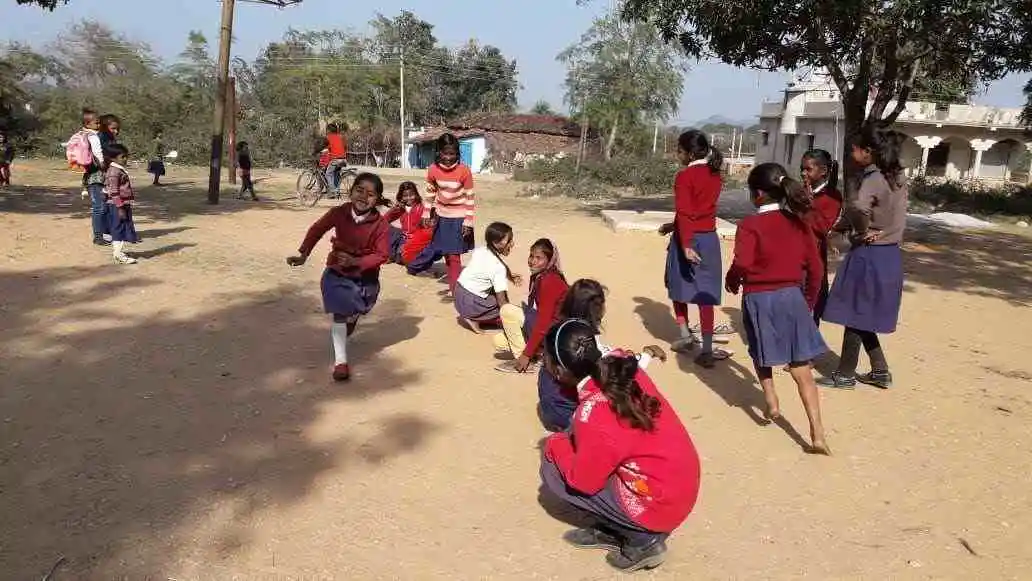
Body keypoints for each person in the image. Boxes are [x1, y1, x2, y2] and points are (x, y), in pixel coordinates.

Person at [540, 319, 698, 573]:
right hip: (677, 483)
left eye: (545, 359)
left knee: (553, 468)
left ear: (558, 372)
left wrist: (554, 444)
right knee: (581, 446)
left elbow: (583, 481)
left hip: (661, 502)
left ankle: (642, 540)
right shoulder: (624, 367)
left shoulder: (592, 413)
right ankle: (614, 525)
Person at [725, 162, 830, 455]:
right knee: (802, 369)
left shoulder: (749, 225)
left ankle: (771, 401)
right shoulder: (799, 222)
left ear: (757, 194)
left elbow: (743, 263)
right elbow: (817, 269)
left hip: (760, 297)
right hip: (791, 296)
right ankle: (817, 433)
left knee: (761, 350)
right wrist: (807, 302)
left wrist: (732, 279)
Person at [818, 127, 908, 390]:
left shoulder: (873, 179)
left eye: (855, 149)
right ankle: (880, 371)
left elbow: (858, 207)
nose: (852, 154)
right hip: (890, 255)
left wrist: (859, 230)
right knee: (864, 313)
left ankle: (845, 374)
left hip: (869, 255)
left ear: (868, 152)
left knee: (855, 313)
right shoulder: (898, 178)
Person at [287, 172, 389, 382]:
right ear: (351, 191)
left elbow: (382, 254)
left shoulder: (381, 225)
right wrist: (303, 254)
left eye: (370, 194)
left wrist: (357, 263)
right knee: (339, 313)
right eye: (359, 190)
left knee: (357, 308)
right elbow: (317, 229)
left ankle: (351, 317)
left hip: (365, 278)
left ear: (377, 199)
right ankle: (341, 362)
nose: (363, 197)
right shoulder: (338, 212)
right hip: (337, 272)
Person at [536, 279, 656, 432]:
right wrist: (647, 355)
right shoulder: (587, 345)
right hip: (566, 411)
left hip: (549, 403)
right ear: (598, 310)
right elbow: (619, 369)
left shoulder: (559, 331)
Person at [660, 129, 731, 368]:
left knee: (677, 283)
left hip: (688, 239)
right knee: (706, 295)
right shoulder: (715, 175)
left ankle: (685, 335)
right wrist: (672, 225)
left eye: (679, 151)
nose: (677, 155)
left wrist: (687, 244)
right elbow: (699, 211)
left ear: (689, 153)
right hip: (709, 238)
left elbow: (686, 212)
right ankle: (707, 349)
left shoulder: (684, 177)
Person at [406, 133, 475, 294]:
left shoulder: (464, 171)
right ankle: (452, 280)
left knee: (454, 255)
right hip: (442, 216)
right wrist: (425, 214)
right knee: (446, 252)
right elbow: (430, 194)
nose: (449, 157)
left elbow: (470, 198)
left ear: (457, 153)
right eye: (445, 153)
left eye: (452, 154)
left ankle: (455, 290)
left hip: (459, 218)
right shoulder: (432, 170)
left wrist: (468, 222)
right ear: (439, 152)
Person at [494, 238, 568, 374]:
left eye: (539, 258)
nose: (533, 261)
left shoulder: (550, 281)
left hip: (557, 335)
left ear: (550, 260)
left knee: (507, 310)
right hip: (552, 329)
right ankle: (539, 354)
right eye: (531, 256)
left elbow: (544, 322)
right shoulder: (540, 276)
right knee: (499, 341)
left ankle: (524, 361)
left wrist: (526, 354)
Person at [799, 149, 844, 325]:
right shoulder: (802, 191)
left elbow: (822, 227)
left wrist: (808, 204)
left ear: (823, 171)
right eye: (802, 168)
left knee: (810, 308)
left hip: (813, 258)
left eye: (808, 169)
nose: (803, 173)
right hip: (793, 256)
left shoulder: (831, 197)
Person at [453, 222, 519, 333]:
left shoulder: (481, 250)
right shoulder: (498, 268)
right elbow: (502, 301)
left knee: (496, 292)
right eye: (509, 240)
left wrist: (510, 277)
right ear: (496, 242)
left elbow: (493, 266)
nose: (512, 244)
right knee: (506, 308)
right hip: (469, 304)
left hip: (458, 294)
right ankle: (473, 317)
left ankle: (470, 314)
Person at [103, 143, 140, 265]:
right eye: (122, 157)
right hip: (117, 205)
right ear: (113, 158)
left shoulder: (118, 170)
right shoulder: (114, 172)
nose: (125, 159)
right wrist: (119, 207)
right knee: (119, 228)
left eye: (126, 156)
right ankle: (118, 254)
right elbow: (113, 191)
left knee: (122, 228)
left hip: (122, 204)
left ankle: (119, 252)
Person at [78, 109, 108, 246]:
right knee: (99, 206)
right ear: (87, 123)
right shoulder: (93, 136)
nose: (99, 124)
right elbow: (98, 153)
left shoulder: (82, 134)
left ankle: (100, 234)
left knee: (99, 205)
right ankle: (98, 236)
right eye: (96, 122)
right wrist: (104, 167)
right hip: (97, 175)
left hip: (89, 174)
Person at [383, 181, 432, 265]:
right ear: (401, 197)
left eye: (411, 195)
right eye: (405, 196)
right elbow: (385, 220)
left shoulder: (421, 209)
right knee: (388, 228)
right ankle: (391, 255)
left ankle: (397, 255)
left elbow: (425, 230)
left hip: (414, 241)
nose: (409, 198)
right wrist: (394, 209)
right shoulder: (401, 208)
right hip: (403, 239)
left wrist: (409, 243)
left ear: (416, 195)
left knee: (402, 260)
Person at [315, 122, 348, 194]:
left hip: (335, 159)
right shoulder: (341, 137)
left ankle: (332, 191)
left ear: (329, 131)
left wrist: (315, 151)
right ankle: (336, 190)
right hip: (344, 160)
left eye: (327, 130)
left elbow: (321, 147)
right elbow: (345, 147)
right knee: (336, 173)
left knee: (328, 174)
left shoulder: (328, 138)